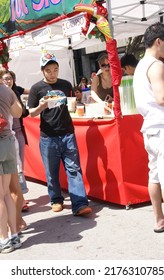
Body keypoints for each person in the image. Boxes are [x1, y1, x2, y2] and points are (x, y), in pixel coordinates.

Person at [27, 53, 92, 216]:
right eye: (48, 70)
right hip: (48, 136)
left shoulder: (65, 84)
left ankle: (79, 203)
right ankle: (56, 199)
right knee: (51, 170)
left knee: (74, 168)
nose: (52, 73)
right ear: (42, 71)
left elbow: (71, 103)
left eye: (55, 69)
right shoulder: (36, 89)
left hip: (68, 133)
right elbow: (31, 113)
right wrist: (41, 106)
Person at [133, 22, 164, 244]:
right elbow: (162, 97)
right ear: (159, 41)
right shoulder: (157, 66)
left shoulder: (141, 65)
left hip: (151, 128)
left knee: (156, 174)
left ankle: (159, 219)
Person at [0, 64, 22, 253]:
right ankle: (14, 236)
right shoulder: (6, 90)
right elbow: (18, 112)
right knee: (5, 193)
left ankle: (3, 239)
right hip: (7, 142)